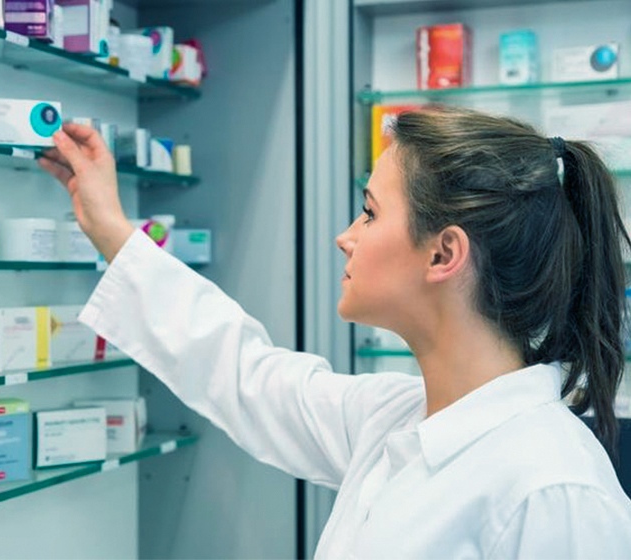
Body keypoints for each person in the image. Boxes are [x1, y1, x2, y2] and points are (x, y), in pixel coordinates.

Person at [39, 105, 631, 558]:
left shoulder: (553, 488)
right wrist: (111, 229)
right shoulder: (395, 419)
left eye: (370, 212)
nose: (345, 237)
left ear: (443, 254)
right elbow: (248, 376)